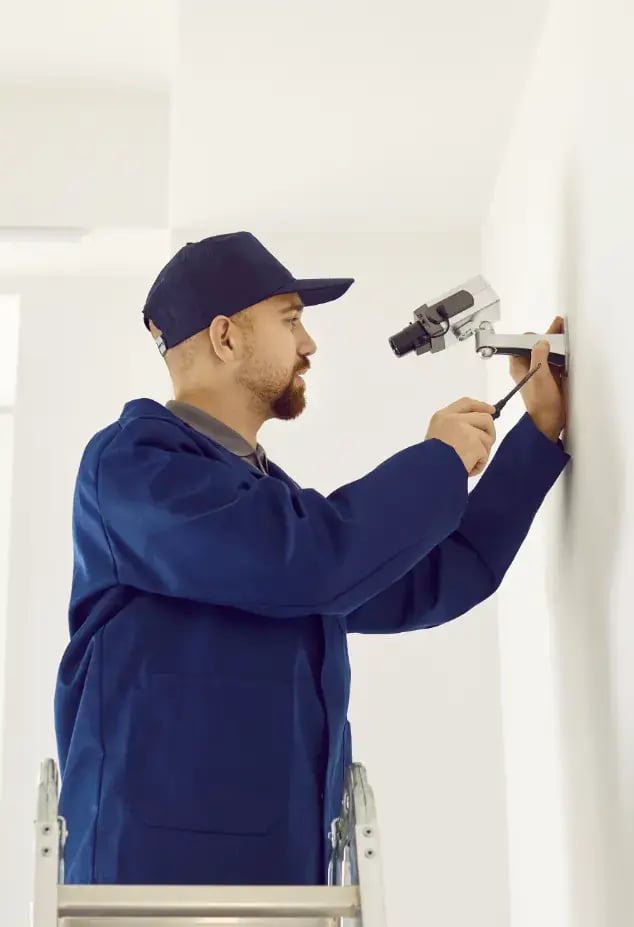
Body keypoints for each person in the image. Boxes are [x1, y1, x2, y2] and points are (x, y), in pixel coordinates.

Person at [54, 231, 570, 888]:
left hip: (281, 879)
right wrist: (439, 460)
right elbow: (307, 559)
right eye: (292, 320)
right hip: (150, 884)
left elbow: (440, 573)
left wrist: (538, 429)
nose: (309, 345)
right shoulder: (134, 466)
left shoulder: (269, 508)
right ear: (225, 336)